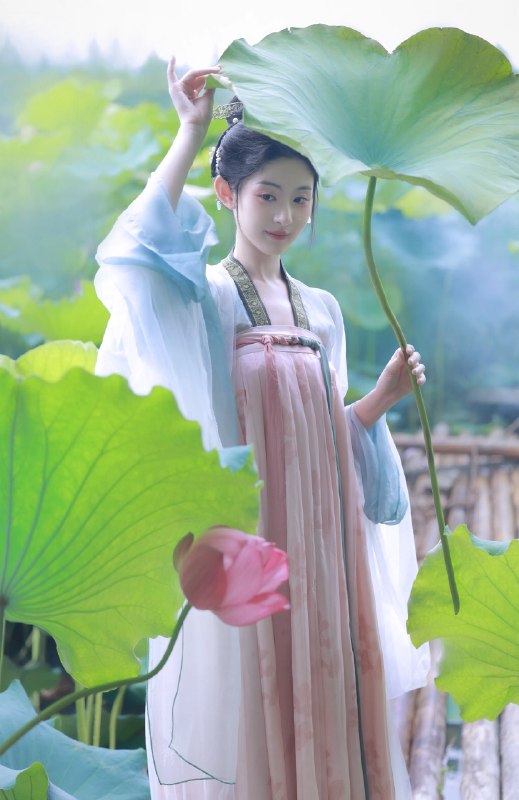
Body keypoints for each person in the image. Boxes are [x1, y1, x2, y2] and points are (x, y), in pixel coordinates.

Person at [95, 57, 430, 800]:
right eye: (267, 195)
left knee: (333, 679)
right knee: (256, 692)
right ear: (226, 194)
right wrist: (189, 133)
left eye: (300, 199)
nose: (284, 215)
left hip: (326, 546)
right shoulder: (206, 298)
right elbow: (139, 257)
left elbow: (330, 440)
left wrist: (378, 399)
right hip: (251, 540)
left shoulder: (324, 312)